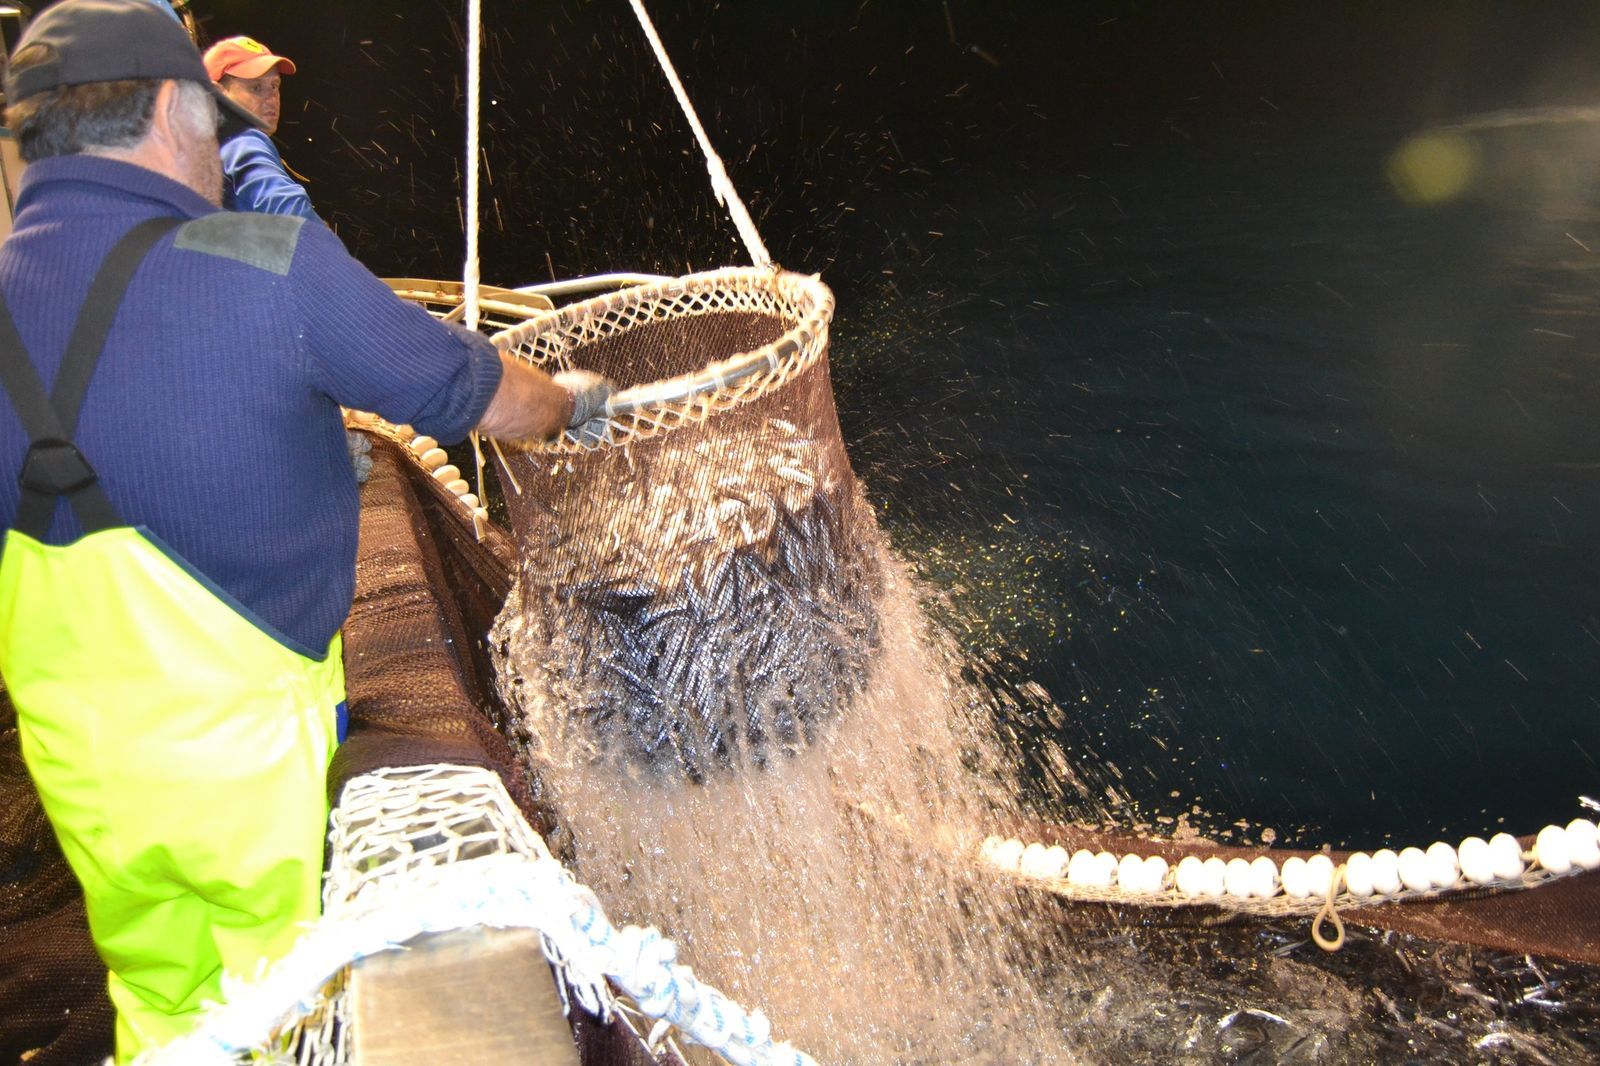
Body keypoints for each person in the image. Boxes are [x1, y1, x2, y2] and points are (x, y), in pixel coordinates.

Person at [0, 1, 611, 1060]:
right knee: (282, 999)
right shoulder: (262, 255)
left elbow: (126, 435)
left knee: (162, 993)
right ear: (165, 107)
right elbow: (465, 389)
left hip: (81, 757)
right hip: (249, 754)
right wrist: (569, 404)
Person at [202, 35, 320, 221]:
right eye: (256, 88)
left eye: (274, 86)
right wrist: (323, 244)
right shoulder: (240, 140)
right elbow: (290, 210)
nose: (272, 99)